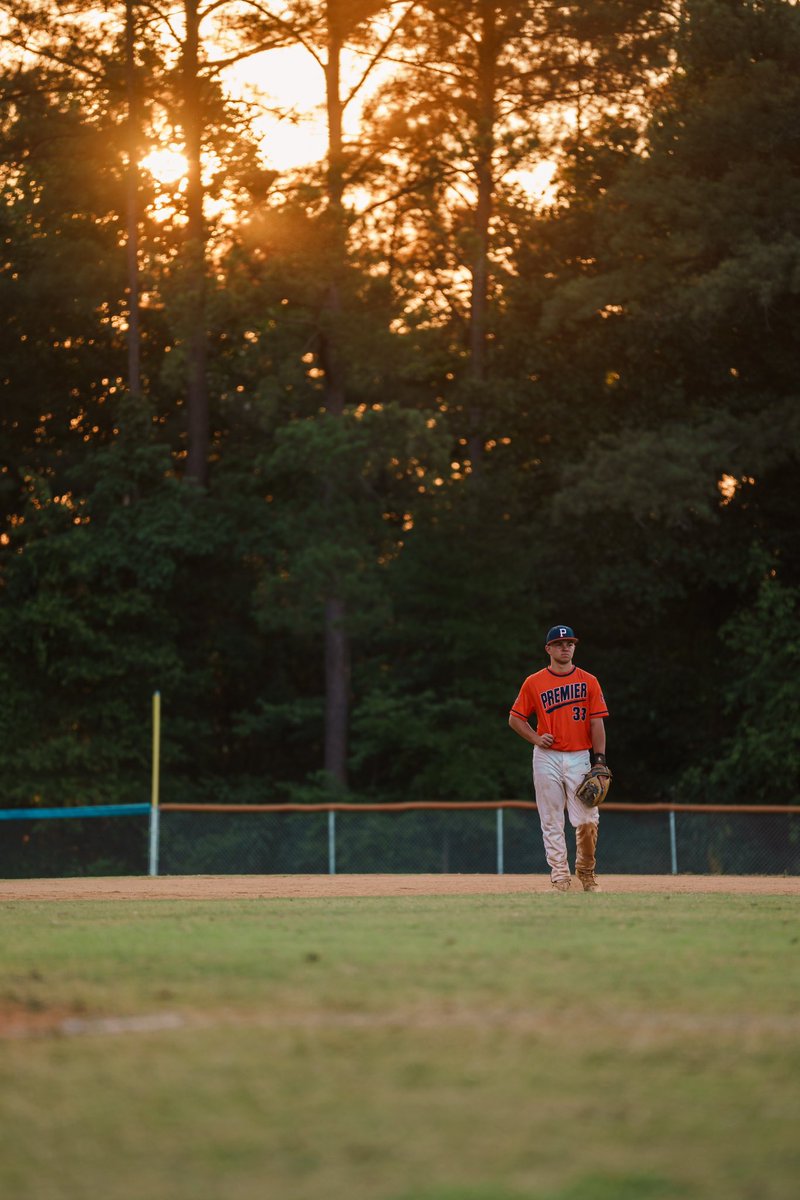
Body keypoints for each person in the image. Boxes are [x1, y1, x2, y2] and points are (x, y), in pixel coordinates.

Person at [508, 625, 609, 893]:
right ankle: (560, 876)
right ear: (548, 649)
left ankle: (586, 872)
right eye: (560, 643)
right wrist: (535, 738)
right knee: (551, 818)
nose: (566, 647)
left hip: (579, 756)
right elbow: (515, 718)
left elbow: (597, 723)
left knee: (588, 818)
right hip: (547, 757)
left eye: (570, 643)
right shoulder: (534, 682)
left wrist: (599, 759)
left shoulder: (589, 681)